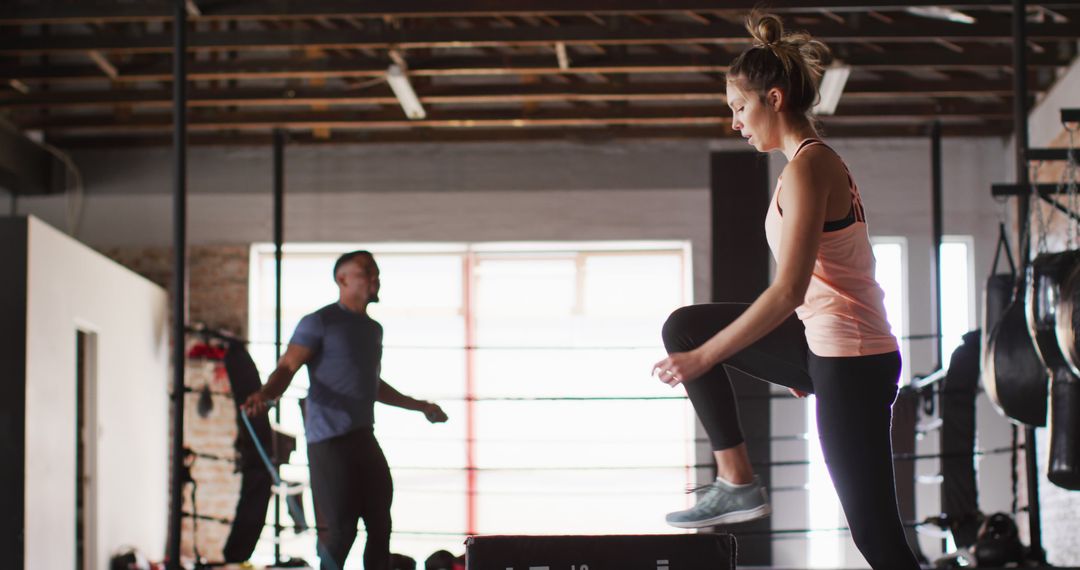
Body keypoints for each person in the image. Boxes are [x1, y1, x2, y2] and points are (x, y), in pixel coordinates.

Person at [651, 12, 920, 570]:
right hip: (825, 347)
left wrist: (703, 359)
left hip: (851, 359)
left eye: (739, 108)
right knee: (684, 324)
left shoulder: (809, 167)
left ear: (773, 98)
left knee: (875, 535)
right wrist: (787, 361)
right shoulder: (801, 166)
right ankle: (736, 480)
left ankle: (738, 480)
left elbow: (789, 290)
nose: (734, 123)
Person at [243, 250, 449, 570]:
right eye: (366, 272)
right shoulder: (320, 321)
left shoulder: (372, 330)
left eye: (376, 272)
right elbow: (287, 366)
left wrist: (419, 406)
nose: (374, 278)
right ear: (342, 279)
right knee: (340, 531)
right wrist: (266, 394)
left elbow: (371, 384)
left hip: (363, 436)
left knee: (381, 524)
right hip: (328, 440)